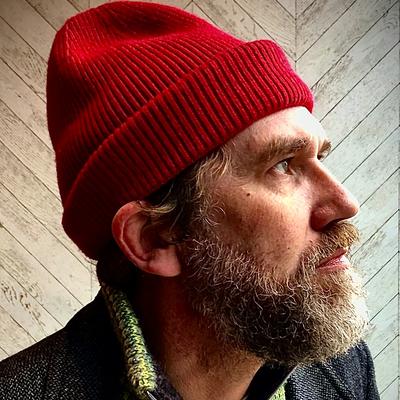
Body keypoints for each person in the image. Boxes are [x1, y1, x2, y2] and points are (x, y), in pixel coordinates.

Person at [0, 2, 380, 399]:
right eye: (283, 165)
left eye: (320, 158)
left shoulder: (343, 368)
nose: (346, 203)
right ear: (155, 237)